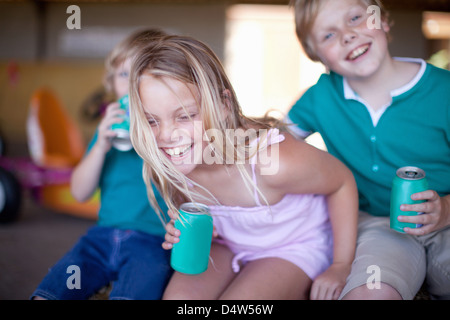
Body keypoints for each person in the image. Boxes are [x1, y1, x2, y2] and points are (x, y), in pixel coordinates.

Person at [128, 34, 358, 300]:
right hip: (227, 245)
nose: (167, 135)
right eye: (152, 121)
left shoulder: (273, 161)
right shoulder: (167, 162)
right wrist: (184, 226)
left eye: (185, 116)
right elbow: (200, 217)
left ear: (224, 105)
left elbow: (342, 182)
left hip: (291, 246)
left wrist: (341, 265)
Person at [287, 0, 450, 300]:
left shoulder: (445, 90)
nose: (347, 35)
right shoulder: (320, 97)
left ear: (384, 21)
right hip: (378, 227)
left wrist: (444, 212)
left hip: (448, 219)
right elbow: (271, 146)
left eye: (356, 18)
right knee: (372, 290)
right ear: (315, 55)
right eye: (328, 35)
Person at [31, 29, 172, 300]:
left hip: (152, 242)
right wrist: (100, 146)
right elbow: (80, 193)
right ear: (112, 84)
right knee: (51, 293)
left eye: (143, 75)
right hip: (101, 238)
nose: (131, 84)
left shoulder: (171, 134)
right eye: (123, 75)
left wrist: (154, 134)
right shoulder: (106, 129)